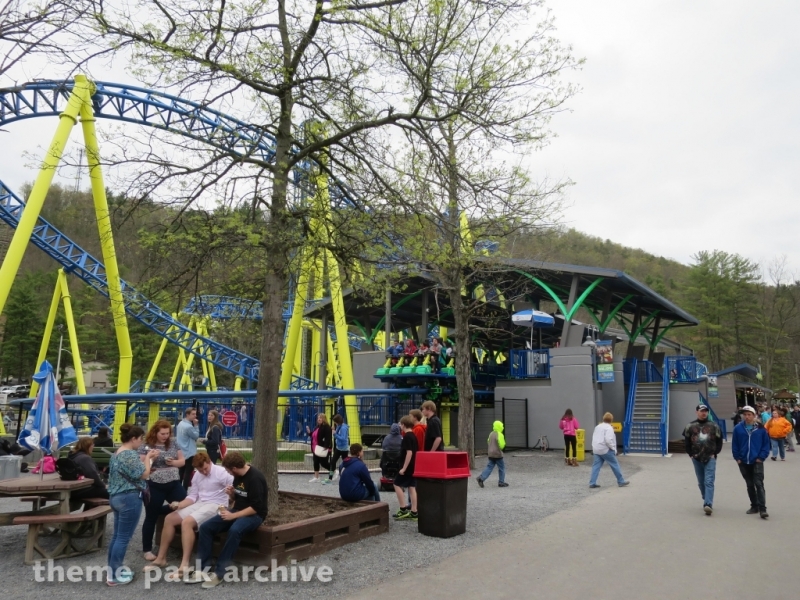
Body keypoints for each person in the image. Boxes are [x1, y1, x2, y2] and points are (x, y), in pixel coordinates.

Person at [143, 452, 234, 579]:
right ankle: (161, 558)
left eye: (205, 468)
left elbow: (235, 489)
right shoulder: (197, 475)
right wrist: (179, 505)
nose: (204, 472)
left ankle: (184, 564)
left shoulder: (221, 472)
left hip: (216, 504)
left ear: (209, 462)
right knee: (170, 518)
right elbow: (192, 496)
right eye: (200, 470)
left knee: (187, 522)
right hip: (201, 502)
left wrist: (231, 498)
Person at [187, 451, 268, 589]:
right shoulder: (237, 476)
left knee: (235, 530)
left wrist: (233, 516)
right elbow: (238, 499)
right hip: (237, 510)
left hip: (254, 516)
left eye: (228, 471)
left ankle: (219, 572)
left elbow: (256, 507)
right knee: (206, 527)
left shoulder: (255, 478)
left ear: (234, 468)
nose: (228, 473)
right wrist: (232, 495)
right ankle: (203, 568)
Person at [107, 424, 158, 586]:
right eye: (140, 439)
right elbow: (144, 474)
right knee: (123, 538)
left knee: (117, 536)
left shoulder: (117, 453)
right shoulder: (129, 455)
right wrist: (149, 458)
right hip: (129, 497)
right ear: (133, 439)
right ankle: (114, 575)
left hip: (116, 496)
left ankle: (113, 569)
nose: (141, 442)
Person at [139, 420, 187, 561]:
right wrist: (151, 458)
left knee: (186, 505)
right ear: (155, 432)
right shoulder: (145, 446)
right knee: (150, 518)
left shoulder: (173, 443)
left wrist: (173, 463)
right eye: (162, 433)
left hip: (173, 482)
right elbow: (142, 464)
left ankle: (181, 541)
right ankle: (147, 549)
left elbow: (182, 461)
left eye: (167, 433)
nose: (165, 436)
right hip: (154, 483)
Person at [731, 405, 771, 519]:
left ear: (754, 415)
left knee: (759, 484)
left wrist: (761, 457)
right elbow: (735, 444)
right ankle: (754, 506)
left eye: (749, 415)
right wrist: (737, 458)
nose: (747, 417)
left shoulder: (761, 429)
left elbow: (766, 445)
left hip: (757, 460)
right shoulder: (738, 428)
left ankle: (763, 508)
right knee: (749, 484)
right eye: (745, 415)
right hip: (743, 461)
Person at [683, 404, 722, 515]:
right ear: (697, 412)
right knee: (701, 482)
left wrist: (715, 453)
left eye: (705, 411)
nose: (704, 413)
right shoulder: (690, 426)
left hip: (710, 457)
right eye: (701, 411)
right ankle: (706, 497)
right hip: (696, 457)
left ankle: (708, 504)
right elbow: (686, 441)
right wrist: (690, 454)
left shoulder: (714, 426)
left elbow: (719, 440)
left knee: (709, 480)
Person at [589, 412, 629, 489]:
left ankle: (592, 482)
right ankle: (621, 481)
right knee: (615, 464)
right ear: (611, 419)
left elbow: (594, 437)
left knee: (596, 466)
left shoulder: (597, 427)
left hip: (596, 449)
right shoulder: (609, 428)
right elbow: (608, 440)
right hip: (605, 449)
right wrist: (613, 448)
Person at [393, 416, 418, 521]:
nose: (399, 426)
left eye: (400, 424)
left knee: (396, 484)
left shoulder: (407, 437)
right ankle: (414, 511)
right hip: (413, 465)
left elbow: (409, 453)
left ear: (403, 425)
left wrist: (404, 468)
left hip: (407, 467)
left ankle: (403, 509)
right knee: (412, 487)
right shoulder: (413, 436)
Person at [68, 437, 109, 501]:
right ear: (88, 446)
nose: (93, 447)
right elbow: (92, 475)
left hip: (74, 490)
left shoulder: (73, 456)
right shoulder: (85, 458)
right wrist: (103, 485)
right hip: (82, 490)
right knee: (112, 493)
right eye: (92, 445)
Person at [476, 421, 508, 488]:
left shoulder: (491, 433)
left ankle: (481, 478)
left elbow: (488, 441)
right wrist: (502, 446)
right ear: (500, 427)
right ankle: (501, 482)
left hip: (490, 453)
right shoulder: (500, 434)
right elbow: (502, 445)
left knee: (489, 467)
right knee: (501, 468)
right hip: (498, 454)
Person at [175, 407, 200, 489]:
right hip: (189, 452)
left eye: (195, 414)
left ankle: (178, 489)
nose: (195, 416)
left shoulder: (180, 424)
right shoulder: (189, 427)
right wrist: (196, 425)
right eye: (193, 414)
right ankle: (184, 490)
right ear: (187, 415)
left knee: (181, 472)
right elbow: (196, 436)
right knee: (188, 473)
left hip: (181, 451)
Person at [306, 413, 332, 483]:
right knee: (316, 462)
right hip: (316, 448)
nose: (319, 419)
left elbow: (328, 437)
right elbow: (314, 435)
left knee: (324, 463)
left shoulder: (327, 427)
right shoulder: (318, 426)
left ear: (324, 419)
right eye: (318, 418)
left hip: (322, 447)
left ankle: (333, 470)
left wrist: (326, 446)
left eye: (320, 418)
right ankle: (316, 477)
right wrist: (309, 432)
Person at [328, 414, 350, 482]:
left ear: (337, 421)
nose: (334, 423)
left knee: (345, 463)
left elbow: (343, 438)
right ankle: (330, 478)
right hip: (338, 447)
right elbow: (336, 435)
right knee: (332, 462)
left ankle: (347, 476)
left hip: (344, 448)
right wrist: (334, 431)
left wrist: (335, 434)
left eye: (335, 421)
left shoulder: (343, 428)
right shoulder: (339, 426)